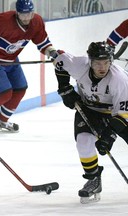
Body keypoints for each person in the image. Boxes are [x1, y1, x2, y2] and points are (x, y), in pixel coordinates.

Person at [53, 41, 128, 203]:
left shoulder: (119, 80)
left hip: (117, 114)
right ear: (90, 61)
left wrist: (109, 136)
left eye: (106, 63)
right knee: (84, 141)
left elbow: (123, 115)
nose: (102, 67)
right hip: (89, 110)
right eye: (97, 63)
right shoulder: (79, 65)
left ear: (111, 62)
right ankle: (93, 179)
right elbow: (59, 61)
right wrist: (65, 89)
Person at [0, 0, 58, 133]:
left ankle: (2, 121)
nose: (27, 18)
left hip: (12, 60)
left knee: (20, 89)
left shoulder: (37, 21)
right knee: (4, 94)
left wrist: (52, 52)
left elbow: (43, 43)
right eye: (23, 14)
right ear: (17, 13)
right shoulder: (3, 21)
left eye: (30, 14)